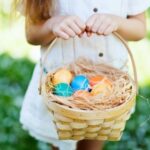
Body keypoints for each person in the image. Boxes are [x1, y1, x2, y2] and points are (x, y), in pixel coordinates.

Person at [16, 0, 150, 150]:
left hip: (107, 91)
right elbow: (31, 34)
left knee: (94, 140)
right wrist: (51, 25)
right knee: (61, 142)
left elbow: (140, 29)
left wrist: (117, 22)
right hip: (59, 93)